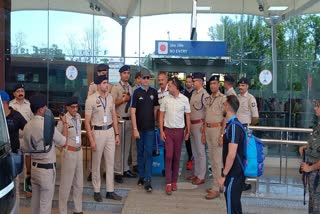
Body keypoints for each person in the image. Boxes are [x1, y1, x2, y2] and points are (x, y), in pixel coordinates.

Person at [21, 95, 66, 214]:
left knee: (35, 205)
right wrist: (64, 123)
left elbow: (26, 150)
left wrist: (28, 172)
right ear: (41, 109)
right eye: (45, 107)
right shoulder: (47, 125)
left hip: (34, 168)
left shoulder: (27, 126)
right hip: (46, 170)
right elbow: (63, 142)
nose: (47, 109)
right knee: (45, 206)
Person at [85, 75, 122, 202]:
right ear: (99, 85)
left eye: (107, 83)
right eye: (105, 83)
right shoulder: (91, 99)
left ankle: (110, 191)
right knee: (96, 163)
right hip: (98, 132)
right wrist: (91, 140)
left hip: (110, 131)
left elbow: (114, 116)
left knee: (110, 162)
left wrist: (117, 134)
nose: (107, 85)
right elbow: (87, 122)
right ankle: (96, 190)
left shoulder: (110, 97)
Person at [159, 77, 191, 195]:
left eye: (170, 85)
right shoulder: (165, 99)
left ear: (176, 86)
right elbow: (161, 116)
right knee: (168, 156)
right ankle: (168, 182)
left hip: (179, 132)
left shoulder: (184, 99)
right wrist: (161, 130)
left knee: (177, 157)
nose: (168, 87)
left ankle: (174, 181)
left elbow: (188, 116)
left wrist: (188, 131)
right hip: (168, 131)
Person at [131, 69, 159, 192]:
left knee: (148, 153)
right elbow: (132, 112)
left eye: (148, 78)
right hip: (139, 129)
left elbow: (156, 109)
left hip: (150, 129)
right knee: (140, 153)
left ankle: (148, 179)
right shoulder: (136, 92)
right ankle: (141, 176)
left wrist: (156, 122)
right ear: (140, 79)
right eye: (144, 78)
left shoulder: (154, 92)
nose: (146, 80)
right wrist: (135, 129)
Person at [218, 95, 246, 214]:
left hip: (234, 174)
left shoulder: (234, 126)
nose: (223, 106)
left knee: (232, 207)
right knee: (235, 205)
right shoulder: (232, 124)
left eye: (224, 104)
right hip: (234, 173)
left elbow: (232, 154)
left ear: (228, 106)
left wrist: (224, 175)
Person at [111, 65, 137, 184]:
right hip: (119, 120)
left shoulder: (131, 88)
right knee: (119, 147)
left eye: (128, 73)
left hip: (129, 120)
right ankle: (117, 171)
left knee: (127, 146)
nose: (126, 75)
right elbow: (111, 104)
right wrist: (123, 100)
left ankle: (125, 168)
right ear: (120, 74)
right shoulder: (116, 88)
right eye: (124, 73)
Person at [1, 90, 27, 206]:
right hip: (1, 158)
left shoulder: (16, 116)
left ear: (4, 103)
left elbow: (27, 129)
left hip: (12, 158)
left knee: (14, 189)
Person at [58, 97, 83, 214]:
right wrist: (63, 150)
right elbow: (58, 137)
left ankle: (78, 210)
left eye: (77, 107)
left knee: (79, 183)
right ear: (67, 107)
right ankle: (63, 211)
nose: (75, 109)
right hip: (69, 152)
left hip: (79, 152)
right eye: (73, 107)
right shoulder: (63, 119)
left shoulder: (78, 118)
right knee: (66, 184)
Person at [203, 75, 227, 200]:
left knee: (217, 161)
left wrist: (222, 135)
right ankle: (217, 184)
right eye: (211, 83)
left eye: (215, 83)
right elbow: (206, 116)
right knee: (212, 159)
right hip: (208, 130)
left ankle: (216, 188)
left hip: (217, 130)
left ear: (219, 85)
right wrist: (203, 133)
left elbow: (225, 118)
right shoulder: (208, 99)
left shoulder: (223, 99)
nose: (212, 85)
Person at [9, 83, 34, 197]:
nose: (21, 93)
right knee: (15, 163)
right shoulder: (10, 105)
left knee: (27, 166)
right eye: (18, 91)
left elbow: (33, 121)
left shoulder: (29, 105)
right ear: (14, 93)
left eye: (22, 91)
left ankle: (28, 188)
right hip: (14, 140)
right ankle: (15, 189)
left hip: (26, 139)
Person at [236, 77, 259, 191]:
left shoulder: (251, 98)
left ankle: (243, 181)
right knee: (237, 155)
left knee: (245, 155)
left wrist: (248, 126)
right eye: (239, 85)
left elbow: (255, 117)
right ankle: (237, 179)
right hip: (237, 128)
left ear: (247, 86)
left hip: (245, 129)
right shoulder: (237, 97)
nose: (240, 87)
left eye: (243, 85)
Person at [87, 64, 108, 182]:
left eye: (104, 71)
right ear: (97, 72)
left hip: (106, 120)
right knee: (95, 150)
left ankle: (103, 171)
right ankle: (92, 171)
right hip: (96, 119)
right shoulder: (93, 85)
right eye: (101, 72)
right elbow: (89, 100)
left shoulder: (108, 84)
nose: (103, 73)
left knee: (105, 151)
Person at [299, 100, 320, 213]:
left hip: (316, 173)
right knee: (312, 204)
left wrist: (310, 168)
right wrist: (306, 147)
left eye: (318, 106)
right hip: (313, 174)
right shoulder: (317, 127)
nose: (315, 108)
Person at [188, 72, 209, 185]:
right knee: (195, 151)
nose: (193, 82)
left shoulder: (204, 95)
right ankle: (196, 173)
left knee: (201, 151)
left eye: (195, 80)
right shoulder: (194, 93)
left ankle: (201, 176)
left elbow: (207, 112)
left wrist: (204, 128)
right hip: (192, 125)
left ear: (200, 81)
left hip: (200, 125)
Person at [181, 75, 194, 171]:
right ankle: (190, 158)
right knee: (187, 141)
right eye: (187, 81)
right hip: (185, 121)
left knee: (196, 142)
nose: (188, 83)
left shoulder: (195, 93)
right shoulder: (182, 93)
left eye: (190, 82)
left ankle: (195, 159)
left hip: (195, 121)